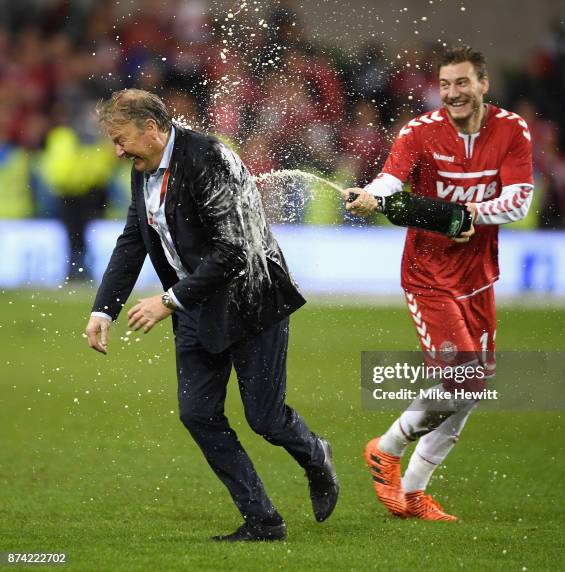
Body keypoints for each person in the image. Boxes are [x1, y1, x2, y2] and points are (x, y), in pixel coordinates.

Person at [84, 89, 339, 541]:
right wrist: (104, 308)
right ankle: (263, 519)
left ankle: (315, 453)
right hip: (195, 306)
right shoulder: (142, 167)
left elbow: (234, 250)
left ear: (152, 129)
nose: (117, 151)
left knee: (265, 419)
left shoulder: (210, 158)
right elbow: (134, 238)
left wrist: (167, 301)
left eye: (122, 139)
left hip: (251, 300)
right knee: (198, 413)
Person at [343, 46, 533, 521]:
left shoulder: (512, 130)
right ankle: (385, 449)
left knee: (472, 388)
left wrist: (470, 213)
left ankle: (412, 492)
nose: (453, 94)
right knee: (462, 378)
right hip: (429, 276)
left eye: (463, 83)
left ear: (483, 83)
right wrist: (370, 195)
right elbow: (391, 180)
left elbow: (518, 202)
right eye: (446, 85)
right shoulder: (421, 132)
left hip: (478, 275)